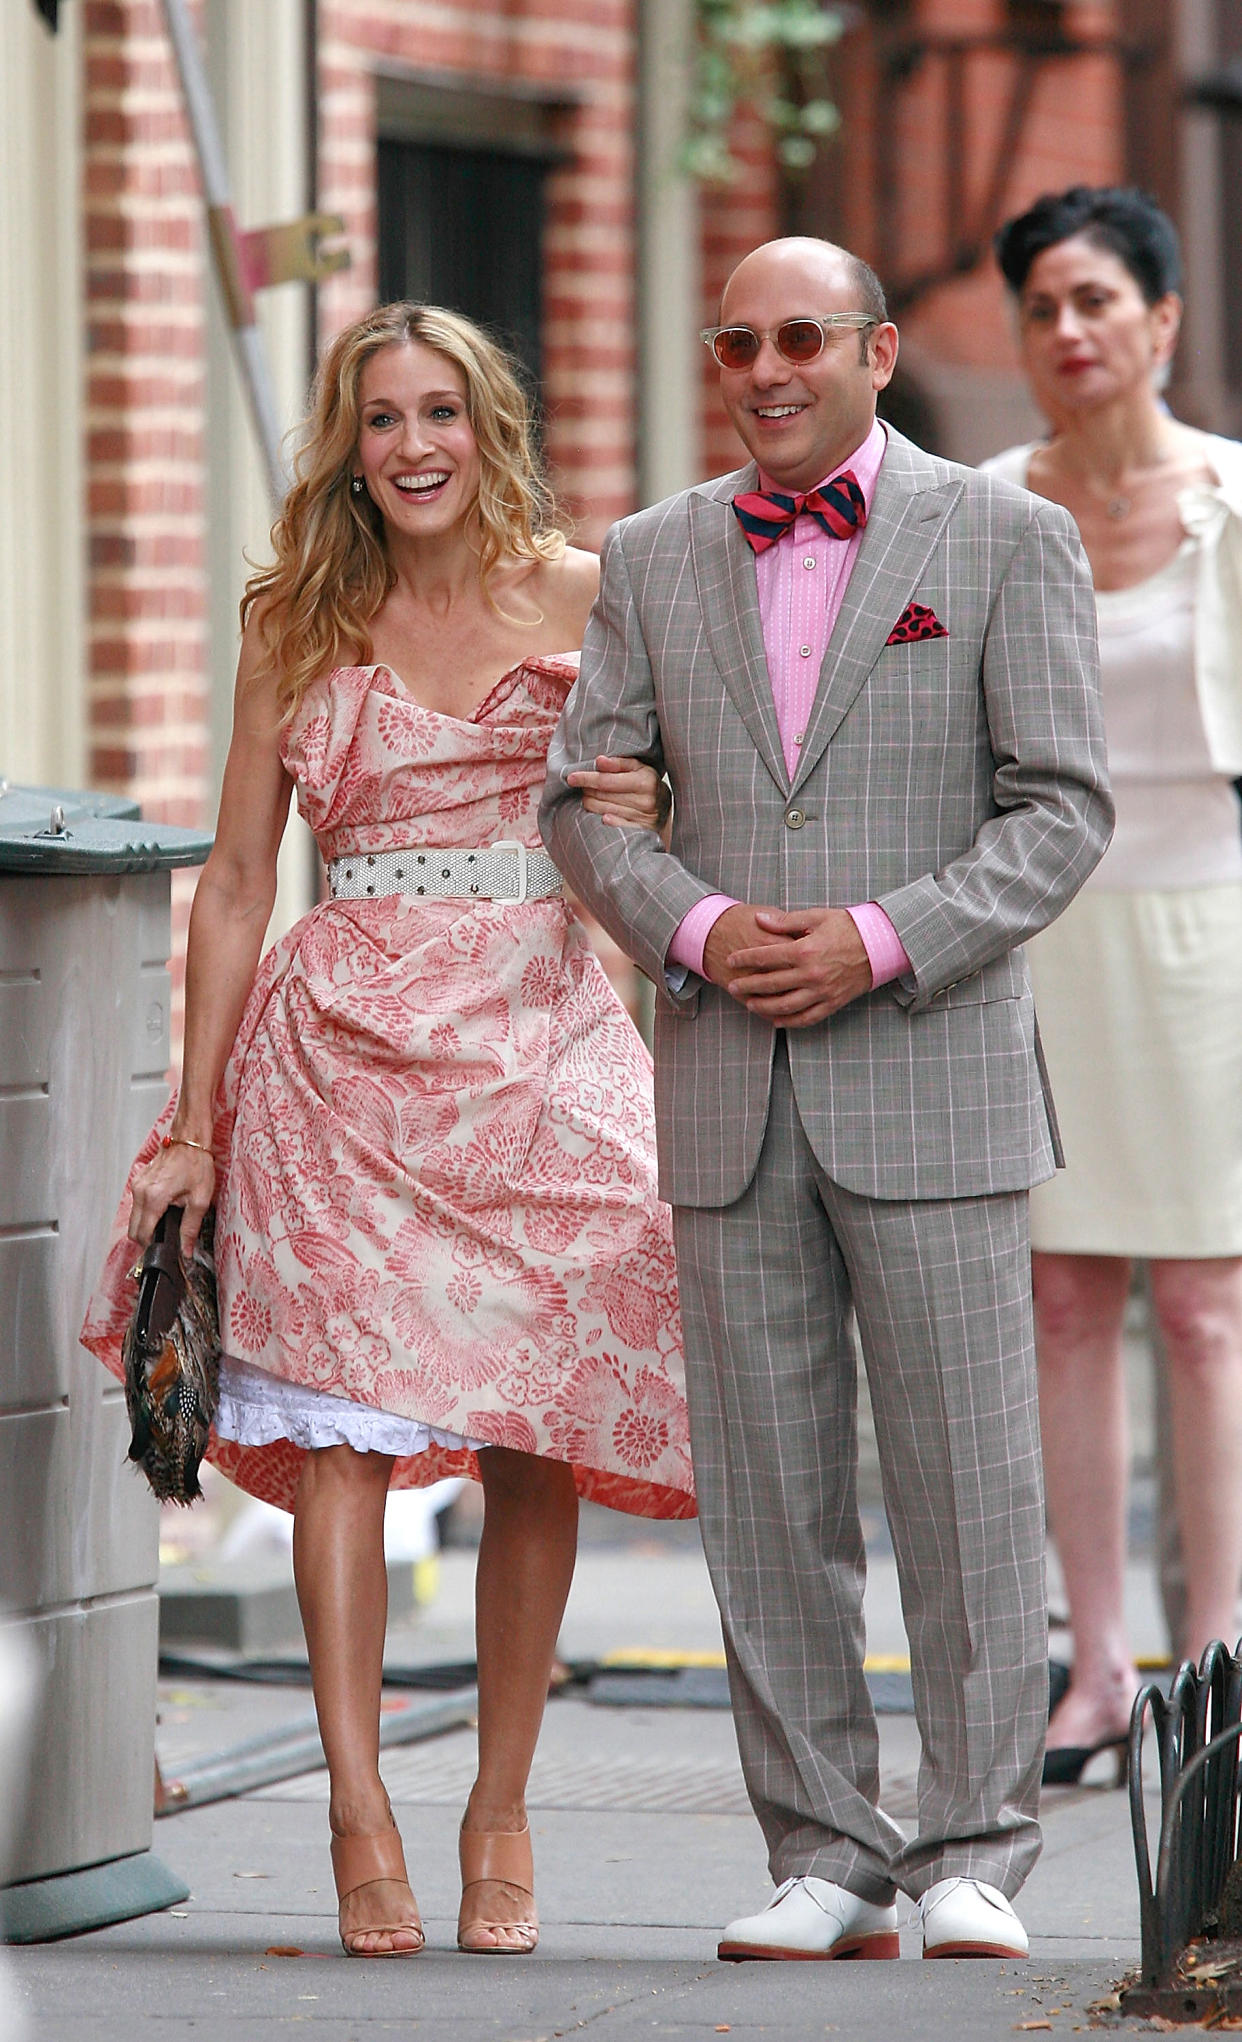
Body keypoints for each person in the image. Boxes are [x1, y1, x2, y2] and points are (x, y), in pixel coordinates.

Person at [81, 301, 692, 1959]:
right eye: (378, 419)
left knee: (537, 1419)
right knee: (343, 1431)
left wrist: (655, 824)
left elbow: (676, 802)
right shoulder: (296, 613)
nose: (411, 445)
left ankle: (499, 1803)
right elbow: (227, 883)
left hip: (545, 1033)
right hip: (334, 1043)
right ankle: (358, 1808)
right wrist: (192, 1117)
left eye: (440, 412)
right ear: (346, 446)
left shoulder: (592, 590)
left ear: (488, 424)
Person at [542, 235, 1111, 1963]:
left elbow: (1059, 807)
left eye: (800, 337)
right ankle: (821, 1851)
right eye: (736, 342)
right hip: (728, 1079)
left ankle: (973, 1850)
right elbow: (580, 801)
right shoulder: (647, 554)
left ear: (874, 348)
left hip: (927, 1066)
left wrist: (876, 938)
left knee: (963, 1486)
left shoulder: (1005, 536)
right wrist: (700, 928)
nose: (765, 368)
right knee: (769, 1492)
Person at [986, 186, 1242, 1783]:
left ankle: (1219, 1654)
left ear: (1160, 321)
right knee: (1061, 1299)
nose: (1066, 331)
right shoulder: (978, 506)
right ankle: (1092, 1663)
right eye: (1039, 306)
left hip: (1209, 923)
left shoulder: (1232, 498)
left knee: (1208, 1306)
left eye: (1094, 300)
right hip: (1033, 933)